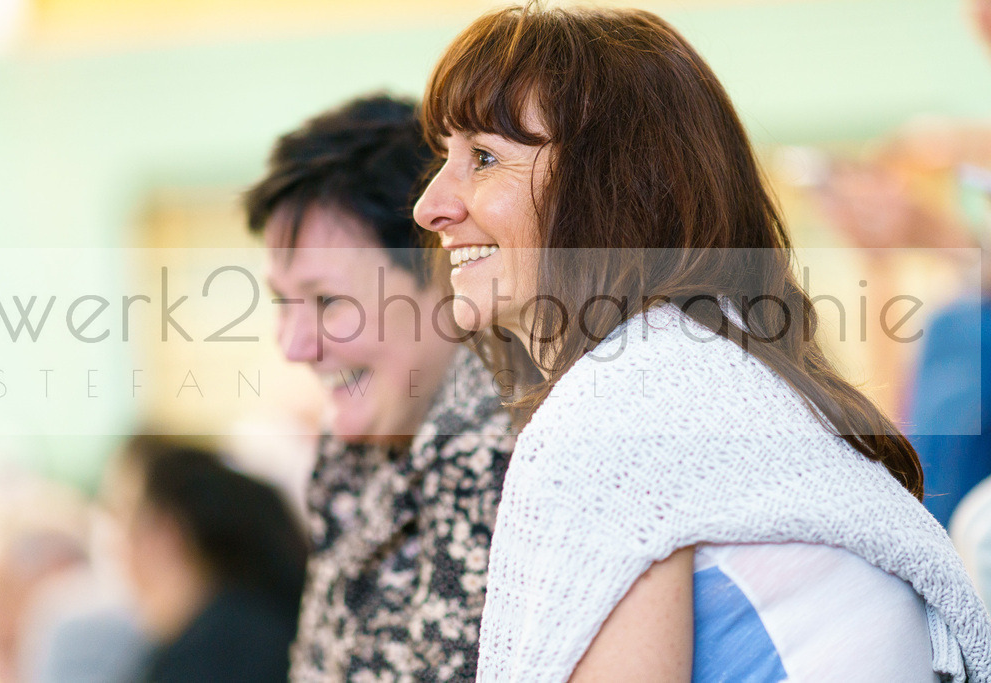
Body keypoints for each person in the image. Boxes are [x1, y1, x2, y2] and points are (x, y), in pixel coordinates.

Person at [412, 6, 991, 681]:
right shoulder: (729, 381)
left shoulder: (623, 412)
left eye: (484, 158)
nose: (430, 206)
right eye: (445, 157)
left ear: (617, 188)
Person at [243, 94, 514, 680]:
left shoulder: (505, 463)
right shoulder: (352, 452)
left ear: (443, 272)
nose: (294, 345)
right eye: (283, 302)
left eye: (327, 301)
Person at [104, 436, 307, 682]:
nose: (119, 549)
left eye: (125, 519)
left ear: (167, 532)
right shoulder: (271, 623)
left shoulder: (203, 657)